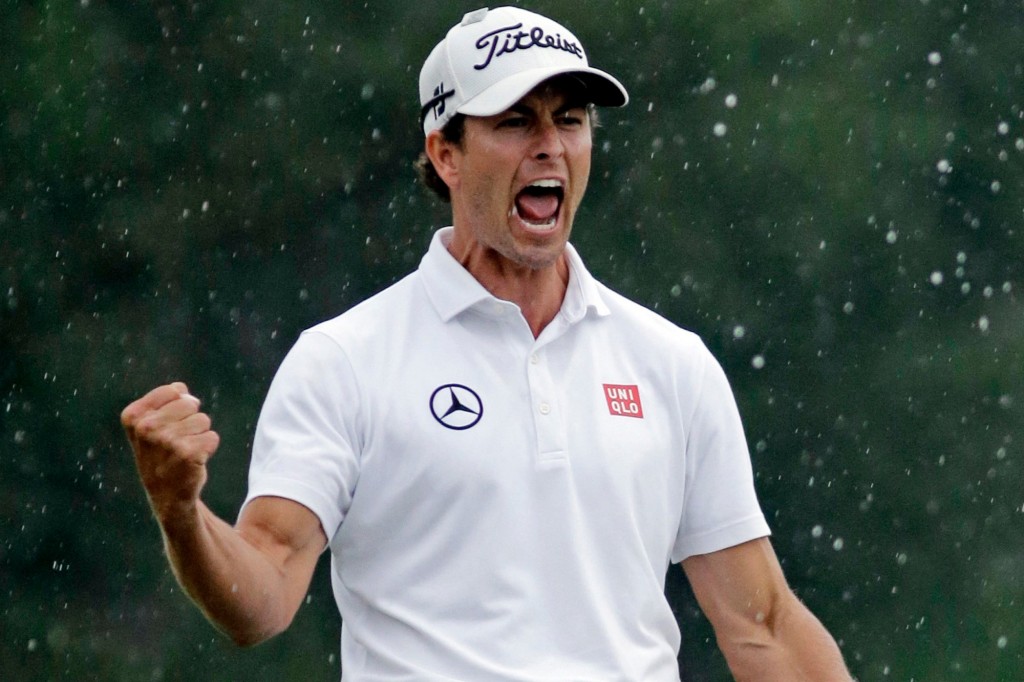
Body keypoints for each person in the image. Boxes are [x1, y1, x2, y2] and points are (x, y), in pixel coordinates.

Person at [121, 7, 853, 681]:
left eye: (570, 120)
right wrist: (180, 512)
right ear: (446, 154)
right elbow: (264, 595)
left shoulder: (672, 364)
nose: (550, 147)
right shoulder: (344, 361)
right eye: (514, 121)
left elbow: (764, 627)